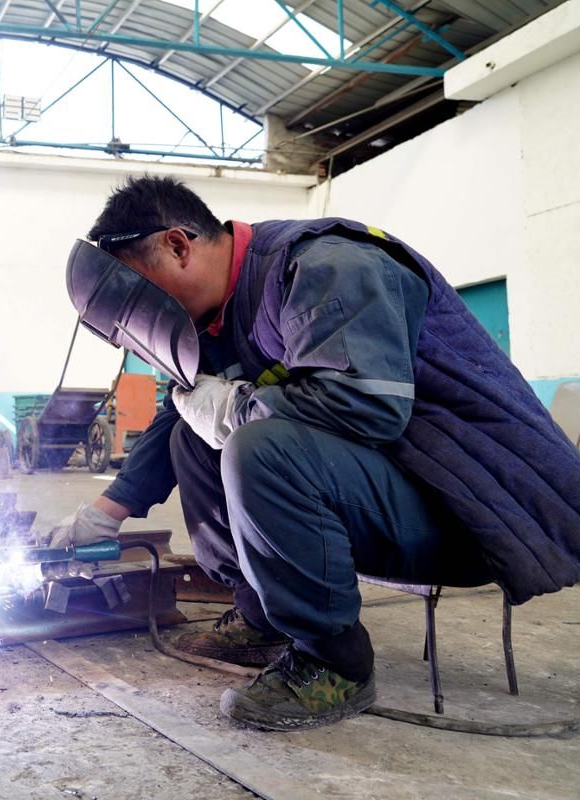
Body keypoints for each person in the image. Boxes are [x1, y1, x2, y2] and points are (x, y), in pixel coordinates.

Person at [53, 175, 580, 731]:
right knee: (192, 437)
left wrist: (237, 409)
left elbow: (368, 407)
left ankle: (333, 663)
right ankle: (262, 618)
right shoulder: (214, 320)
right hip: (392, 493)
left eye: (141, 297)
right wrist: (104, 515)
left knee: (260, 447)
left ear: (178, 245)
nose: (146, 322)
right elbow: (180, 414)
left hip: (474, 510)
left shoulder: (326, 266)